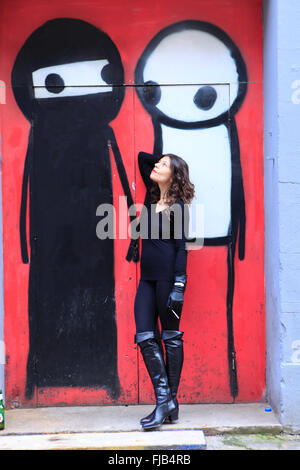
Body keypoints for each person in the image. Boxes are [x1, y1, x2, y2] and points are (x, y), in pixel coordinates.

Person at [133, 152, 195, 430]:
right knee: (146, 336)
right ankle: (167, 401)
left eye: (164, 165)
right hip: (146, 280)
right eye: (159, 164)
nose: (156, 166)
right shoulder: (151, 197)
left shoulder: (179, 207)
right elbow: (142, 158)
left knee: (170, 338)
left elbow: (181, 249)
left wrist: (179, 287)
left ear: (175, 175)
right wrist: (164, 161)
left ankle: (165, 404)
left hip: (168, 281)